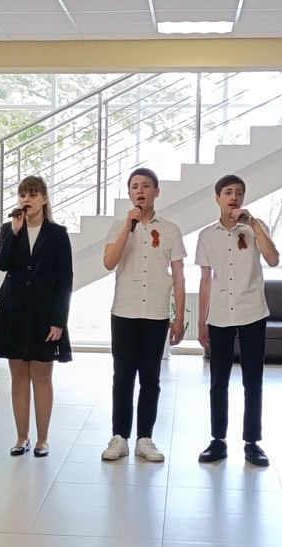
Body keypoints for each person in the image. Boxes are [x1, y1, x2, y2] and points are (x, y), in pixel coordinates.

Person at [100, 168, 187, 463]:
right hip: (124, 310)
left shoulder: (171, 230)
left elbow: (179, 277)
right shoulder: (119, 226)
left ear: (156, 192)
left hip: (156, 313)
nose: (140, 191)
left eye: (146, 186)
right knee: (123, 377)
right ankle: (119, 437)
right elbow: (109, 262)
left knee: (151, 378)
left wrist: (178, 317)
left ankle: (145, 438)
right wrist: (128, 226)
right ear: (129, 193)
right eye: (135, 186)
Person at [195, 174, 280, 467]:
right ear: (218, 198)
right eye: (228, 192)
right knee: (218, 380)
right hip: (220, 314)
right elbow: (205, 280)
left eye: (239, 192)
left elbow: (273, 259)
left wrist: (253, 224)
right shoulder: (207, 235)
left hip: (252, 310)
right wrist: (201, 321)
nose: (234, 197)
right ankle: (218, 440)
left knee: (252, 379)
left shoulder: (256, 227)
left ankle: (252, 442)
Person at [0, 175, 73, 458]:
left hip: (44, 313)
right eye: (23, 194)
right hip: (13, 309)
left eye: (33, 194)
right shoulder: (9, 229)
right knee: (18, 374)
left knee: (41, 374)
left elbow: (65, 278)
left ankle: (43, 439)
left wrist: (59, 320)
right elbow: (2, 264)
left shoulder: (58, 233)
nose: (27, 199)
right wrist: (14, 233)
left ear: (44, 199)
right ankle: (21, 436)